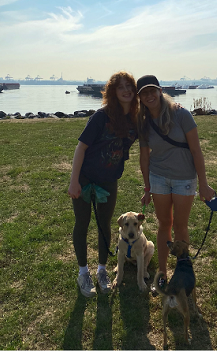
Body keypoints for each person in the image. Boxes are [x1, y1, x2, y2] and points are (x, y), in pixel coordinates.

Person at [136, 75, 215, 290]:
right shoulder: (143, 123)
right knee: (164, 225)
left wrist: (204, 184)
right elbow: (144, 157)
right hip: (158, 178)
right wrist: (147, 187)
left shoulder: (181, 114)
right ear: (140, 98)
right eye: (144, 93)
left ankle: (182, 272)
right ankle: (162, 273)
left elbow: (196, 150)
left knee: (180, 226)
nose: (149, 96)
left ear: (160, 91)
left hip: (184, 179)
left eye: (152, 91)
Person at [68, 71, 140, 297]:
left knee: (105, 225)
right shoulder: (101, 116)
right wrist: (74, 181)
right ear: (113, 92)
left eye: (130, 86)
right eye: (121, 87)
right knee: (83, 223)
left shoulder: (136, 120)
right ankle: (82, 273)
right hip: (85, 178)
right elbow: (81, 148)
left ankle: (101, 270)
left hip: (109, 181)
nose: (126, 90)